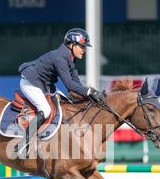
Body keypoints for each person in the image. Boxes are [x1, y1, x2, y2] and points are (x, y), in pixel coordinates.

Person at [16, 28, 106, 156]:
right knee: (45, 110)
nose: (84, 50)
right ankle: (23, 143)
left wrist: (90, 95)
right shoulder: (60, 57)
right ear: (71, 44)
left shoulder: (70, 58)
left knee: (66, 104)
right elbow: (69, 84)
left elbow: (76, 83)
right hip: (30, 83)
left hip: (45, 85)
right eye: (82, 46)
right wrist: (89, 92)